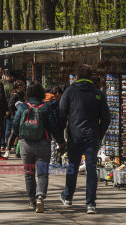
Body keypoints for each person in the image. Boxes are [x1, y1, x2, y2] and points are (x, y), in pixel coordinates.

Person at [59, 64, 111, 214]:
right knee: (91, 169)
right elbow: (106, 118)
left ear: (76, 76)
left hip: (75, 136)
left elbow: (62, 114)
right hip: (92, 136)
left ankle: (68, 197)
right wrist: (99, 135)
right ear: (90, 76)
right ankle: (90, 204)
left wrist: (61, 136)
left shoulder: (69, 92)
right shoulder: (98, 93)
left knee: (72, 167)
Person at [12, 81, 66, 213]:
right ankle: (40, 197)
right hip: (43, 144)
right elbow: (53, 126)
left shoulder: (23, 107)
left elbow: (15, 124)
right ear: (41, 92)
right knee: (42, 173)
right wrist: (61, 141)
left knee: (29, 173)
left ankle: (31, 200)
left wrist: (20, 136)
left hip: (26, 144)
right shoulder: (45, 107)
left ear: (28, 93)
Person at [5, 80, 26, 158]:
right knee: (13, 134)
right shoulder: (14, 96)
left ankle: (20, 151)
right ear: (19, 87)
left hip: (22, 117)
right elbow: (10, 106)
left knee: (21, 134)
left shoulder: (23, 95)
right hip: (15, 117)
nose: (24, 87)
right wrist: (17, 109)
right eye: (23, 86)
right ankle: (8, 150)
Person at [1, 71, 15, 151]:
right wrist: (9, 109)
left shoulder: (1, 84)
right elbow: (11, 99)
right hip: (8, 108)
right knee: (8, 127)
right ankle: (7, 144)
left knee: (2, 127)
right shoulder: (10, 86)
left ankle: (2, 144)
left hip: (1, 108)